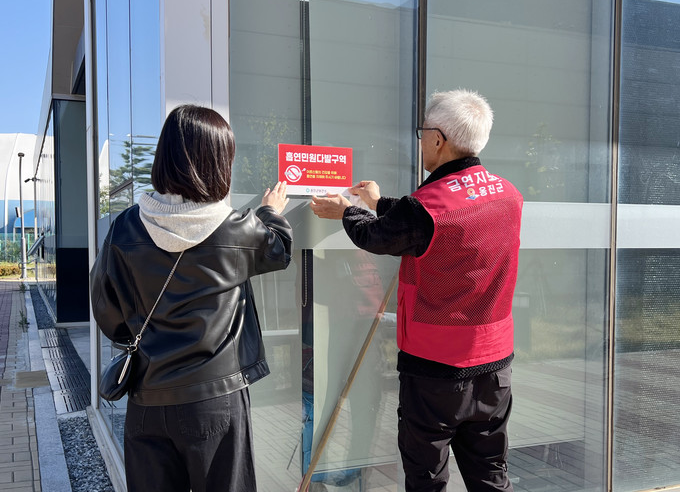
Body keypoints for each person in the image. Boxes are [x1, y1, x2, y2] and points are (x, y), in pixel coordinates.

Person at [310, 89, 522, 491]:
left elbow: (379, 236)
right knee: (490, 474)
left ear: (439, 140)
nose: (421, 141)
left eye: (423, 133)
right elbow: (431, 222)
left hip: (435, 371)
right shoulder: (508, 195)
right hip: (495, 366)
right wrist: (379, 202)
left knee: (427, 478)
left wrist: (347, 211)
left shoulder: (427, 207)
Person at [90, 105, 292, 492]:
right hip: (216, 399)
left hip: (147, 398)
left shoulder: (126, 226)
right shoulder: (236, 228)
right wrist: (270, 211)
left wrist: (143, 339)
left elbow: (106, 310)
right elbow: (279, 249)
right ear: (218, 163)